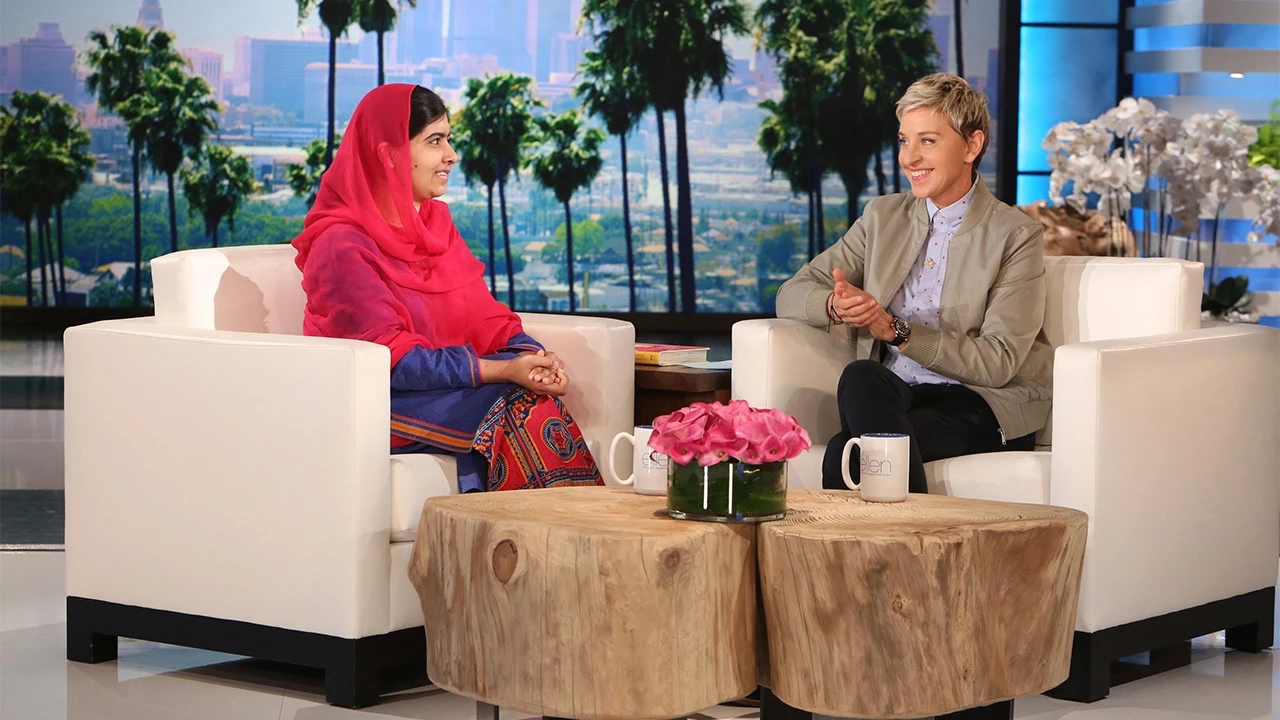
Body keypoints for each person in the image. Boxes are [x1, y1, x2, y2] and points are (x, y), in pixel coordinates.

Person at [292, 83, 602, 492]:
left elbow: (486, 318)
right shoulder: (341, 245)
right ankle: (548, 531)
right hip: (376, 403)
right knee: (516, 407)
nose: (451, 155)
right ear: (388, 154)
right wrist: (503, 370)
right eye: (434, 141)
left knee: (532, 398)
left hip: (444, 391)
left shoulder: (435, 226)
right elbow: (391, 362)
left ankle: (568, 529)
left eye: (449, 140)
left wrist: (532, 356)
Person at [776, 73, 1052, 494]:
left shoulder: (1015, 236)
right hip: (900, 394)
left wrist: (896, 332)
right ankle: (912, 533)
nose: (910, 158)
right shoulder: (883, 217)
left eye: (928, 141)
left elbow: (997, 363)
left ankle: (881, 536)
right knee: (861, 375)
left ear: (972, 146)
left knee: (845, 452)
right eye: (905, 141)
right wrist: (836, 305)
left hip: (982, 403)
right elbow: (791, 294)